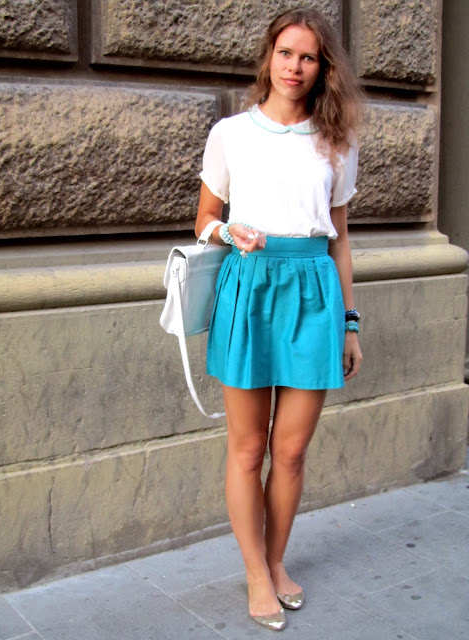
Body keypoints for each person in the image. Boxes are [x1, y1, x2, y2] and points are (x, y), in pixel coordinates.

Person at [194, 6, 363, 632]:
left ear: (323, 68)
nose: (295, 66)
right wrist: (228, 230)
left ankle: (275, 559)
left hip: (315, 293)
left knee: (289, 451)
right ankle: (256, 573)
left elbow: (340, 240)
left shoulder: (336, 140)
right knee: (247, 449)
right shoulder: (231, 134)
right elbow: (203, 219)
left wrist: (350, 322)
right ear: (269, 57)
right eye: (286, 53)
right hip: (250, 287)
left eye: (308, 57)